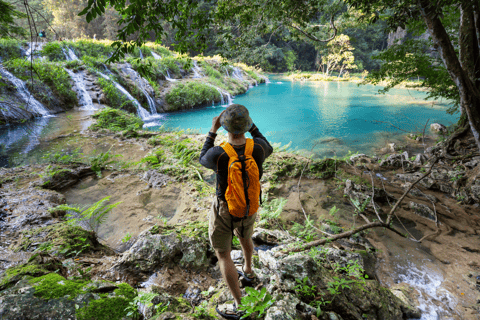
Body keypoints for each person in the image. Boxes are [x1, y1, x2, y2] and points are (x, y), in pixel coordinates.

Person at [199, 104, 273, 319]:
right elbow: (266, 143)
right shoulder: (258, 147)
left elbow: (203, 157)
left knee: (223, 254)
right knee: (246, 236)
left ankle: (240, 305)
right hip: (250, 206)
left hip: (224, 209)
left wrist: (212, 130)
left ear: (225, 126)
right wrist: (252, 127)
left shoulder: (219, 154)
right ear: (248, 125)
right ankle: (248, 271)